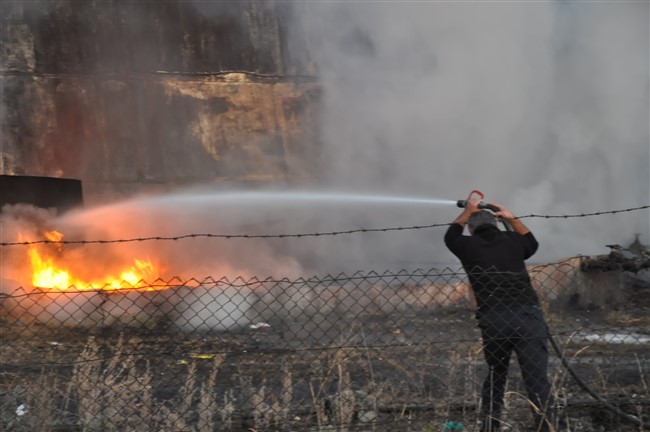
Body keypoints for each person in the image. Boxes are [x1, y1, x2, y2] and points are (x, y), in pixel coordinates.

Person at [444, 195, 554, 432]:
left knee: (496, 376)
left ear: (471, 230)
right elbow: (532, 244)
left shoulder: (467, 246)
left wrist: (467, 211)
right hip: (527, 318)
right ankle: (547, 427)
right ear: (496, 224)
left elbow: (450, 236)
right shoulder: (514, 240)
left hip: (494, 320)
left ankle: (490, 426)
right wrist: (512, 219)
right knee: (537, 380)